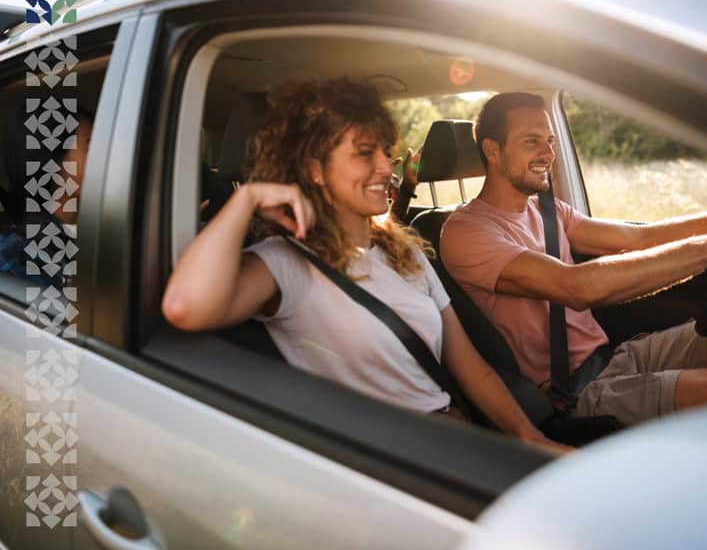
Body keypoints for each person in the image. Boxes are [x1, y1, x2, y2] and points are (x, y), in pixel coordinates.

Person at [162, 78, 571, 454]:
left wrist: (530, 439)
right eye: (364, 154)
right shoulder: (285, 263)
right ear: (314, 170)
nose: (384, 166)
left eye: (383, 151)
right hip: (395, 465)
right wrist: (245, 199)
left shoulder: (406, 253)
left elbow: (472, 369)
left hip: (456, 441)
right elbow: (185, 307)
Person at [439, 92, 707, 426]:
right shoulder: (466, 233)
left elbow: (639, 238)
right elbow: (574, 287)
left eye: (549, 141)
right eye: (531, 141)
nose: (548, 154)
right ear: (492, 149)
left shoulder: (549, 211)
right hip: (573, 393)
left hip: (616, 356)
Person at [0, 109, 91, 289]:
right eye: (89, 148)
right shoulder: (21, 255)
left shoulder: (101, 229)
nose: (106, 156)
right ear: (53, 165)